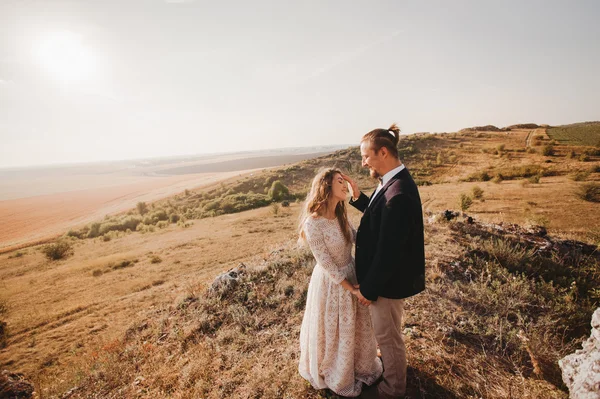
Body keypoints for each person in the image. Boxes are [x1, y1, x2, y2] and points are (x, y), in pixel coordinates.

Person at [343, 123, 425, 399]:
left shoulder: (398, 193)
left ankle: (392, 390)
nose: (363, 161)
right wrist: (359, 199)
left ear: (384, 152)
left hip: (387, 284)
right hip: (387, 281)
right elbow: (384, 222)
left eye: (366, 156)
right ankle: (391, 373)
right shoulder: (392, 182)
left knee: (389, 338)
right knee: (389, 335)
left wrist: (369, 289)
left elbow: (389, 251)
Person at [298, 167, 383, 398]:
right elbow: (326, 264)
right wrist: (351, 289)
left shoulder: (341, 215)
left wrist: (357, 196)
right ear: (326, 187)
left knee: (357, 325)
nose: (344, 185)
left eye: (345, 181)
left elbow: (359, 239)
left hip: (352, 272)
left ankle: (360, 364)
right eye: (340, 181)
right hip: (332, 283)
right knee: (335, 329)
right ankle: (338, 371)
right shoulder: (312, 224)